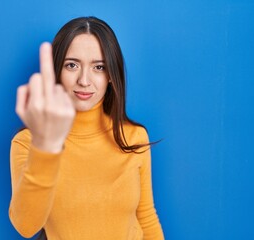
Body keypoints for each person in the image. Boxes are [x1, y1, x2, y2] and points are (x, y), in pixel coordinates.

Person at [9, 16, 164, 239]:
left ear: (111, 75)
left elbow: (147, 217)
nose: (84, 80)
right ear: (56, 71)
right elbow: (26, 226)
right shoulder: (28, 143)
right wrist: (46, 147)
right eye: (71, 65)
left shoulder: (134, 136)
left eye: (98, 67)